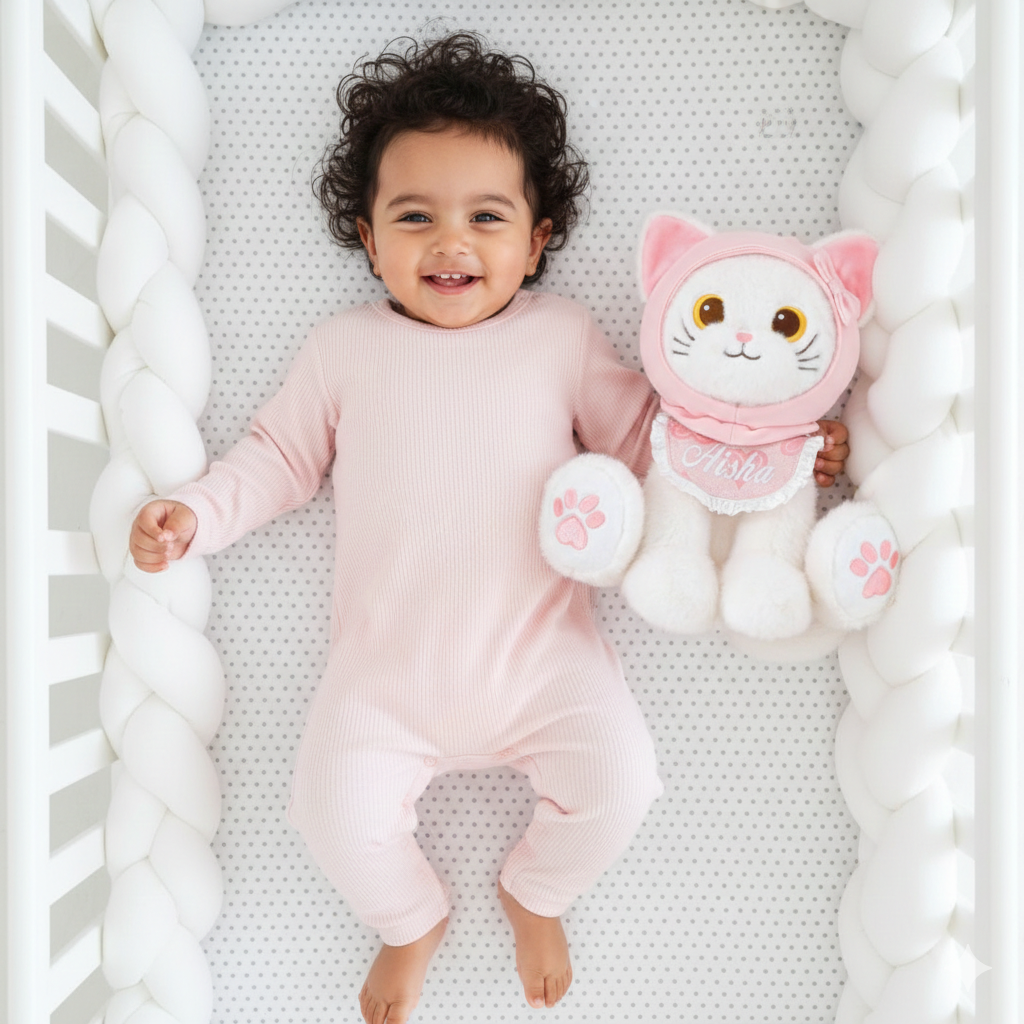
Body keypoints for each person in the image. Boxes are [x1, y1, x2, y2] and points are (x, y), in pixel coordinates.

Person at [128, 33, 850, 1024]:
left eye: (485, 217)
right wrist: (198, 512)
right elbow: (278, 459)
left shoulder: (560, 336)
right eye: (414, 217)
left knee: (622, 783)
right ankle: (409, 918)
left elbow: (655, 443)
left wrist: (779, 453)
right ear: (368, 237)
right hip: (384, 679)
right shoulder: (342, 350)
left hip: (544, 661)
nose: (450, 243)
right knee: (328, 813)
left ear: (537, 240)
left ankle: (534, 891)